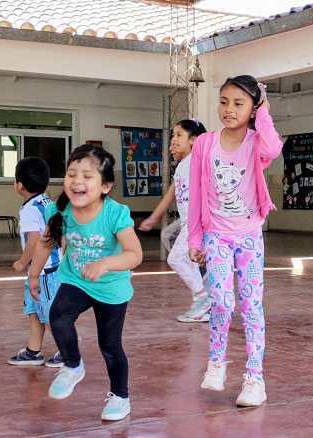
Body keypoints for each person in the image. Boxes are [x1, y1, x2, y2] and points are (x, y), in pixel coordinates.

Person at [187, 75, 282, 407]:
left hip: (249, 237)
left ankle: (254, 380)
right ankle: (216, 363)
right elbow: (197, 194)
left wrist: (265, 111)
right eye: (224, 101)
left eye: (239, 103)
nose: (229, 109)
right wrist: (194, 237)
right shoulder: (204, 143)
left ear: (253, 108)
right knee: (222, 302)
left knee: (251, 306)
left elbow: (274, 147)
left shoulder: (257, 142)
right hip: (215, 236)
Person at [28, 144, 143, 421]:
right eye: (71, 174)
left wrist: (104, 263)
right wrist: (34, 273)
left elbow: (135, 254)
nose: (77, 181)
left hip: (111, 287)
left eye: (87, 176)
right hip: (76, 279)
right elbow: (47, 241)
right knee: (58, 315)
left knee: (110, 346)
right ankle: (72, 365)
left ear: (105, 185)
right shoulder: (59, 210)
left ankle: (120, 396)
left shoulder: (114, 213)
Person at [140, 118, 211, 323]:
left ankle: (202, 298)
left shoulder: (198, 162)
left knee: (176, 258)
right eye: (173, 135)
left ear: (194, 140)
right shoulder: (182, 164)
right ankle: (204, 290)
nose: (173, 140)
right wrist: (154, 217)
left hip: (197, 222)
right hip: (188, 220)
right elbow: (172, 192)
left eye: (179, 135)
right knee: (168, 235)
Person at [8, 157, 64, 367]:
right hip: (42, 270)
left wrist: (23, 262)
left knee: (49, 314)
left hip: (45, 271)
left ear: (19, 185)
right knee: (34, 310)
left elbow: (33, 240)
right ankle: (33, 350)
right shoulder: (46, 202)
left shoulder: (29, 209)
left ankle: (68, 351)